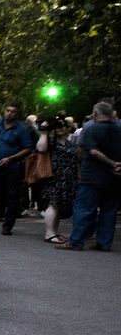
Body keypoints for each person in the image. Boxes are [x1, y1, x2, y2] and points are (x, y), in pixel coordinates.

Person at [58, 101, 121, 251]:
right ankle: (104, 243)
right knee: (109, 211)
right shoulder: (119, 128)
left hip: (92, 176)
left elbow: (90, 151)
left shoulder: (90, 128)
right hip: (114, 178)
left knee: (84, 209)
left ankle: (76, 241)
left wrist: (111, 163)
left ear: (95, 113)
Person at [0, 103, 34, 235]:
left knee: (12, 195)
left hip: (13, 166)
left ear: (16, 114)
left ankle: (8, 225)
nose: (10, 113)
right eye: (8, 110)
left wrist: (11, 158)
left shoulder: (21, 129)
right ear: (4, 111)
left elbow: (28, 148)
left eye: (13, 111)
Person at [37, 118, 78, 244]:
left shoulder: (69, 142)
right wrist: (44, 131)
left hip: (68, 178)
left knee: (59, 206)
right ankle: (49, 233)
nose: (61, 128)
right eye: (58, 126)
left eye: (63, 126)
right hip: (53, 177)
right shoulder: (50, 140)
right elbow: (41, 148)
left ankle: (54, 231)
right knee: (53, 204)